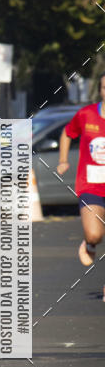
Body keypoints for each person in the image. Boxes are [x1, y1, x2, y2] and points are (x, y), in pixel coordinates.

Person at [57, 73, 105, 267]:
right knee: (94, 234)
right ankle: (90, 243)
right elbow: (67, 134)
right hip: (91, 185)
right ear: (100, 90)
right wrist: (62, 160)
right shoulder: (87, 115)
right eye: (104, 87)